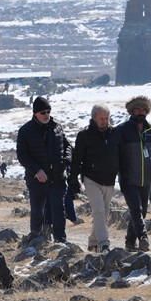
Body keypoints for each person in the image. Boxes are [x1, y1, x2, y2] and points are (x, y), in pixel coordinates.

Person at [16, 96, 72, 243]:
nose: (46, 115)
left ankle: (61, 240)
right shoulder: (25, 131)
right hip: (36, 180)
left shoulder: (57, 127)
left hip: (58, 177)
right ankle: (36, 237)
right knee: (37, 210)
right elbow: (22, 155)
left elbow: (68, 147)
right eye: (43, 112)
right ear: (35, 113)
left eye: (48, 111)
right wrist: (36, 171)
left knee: (58, 209)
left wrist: (66, 161)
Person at [71, 103, 120, 252]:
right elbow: (77, 158)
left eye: (107, 118)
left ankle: (93, 242)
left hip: (110, 180)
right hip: (91, 179)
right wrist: (73, 179)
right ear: (93, 118)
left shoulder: (115, 134)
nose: (105, 121)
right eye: (101, 118)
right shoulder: (84, 135)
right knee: (98, 211)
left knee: (103, 214)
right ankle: (104, 243)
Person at [117, 96, 151, 252]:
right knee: (136, 209)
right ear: (131, 111)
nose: (140, 112)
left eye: (143, 109)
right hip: (128, 179)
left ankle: (129, 242)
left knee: (142, 211)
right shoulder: (122, 130)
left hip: (146, 179)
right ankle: (143, 238)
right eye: (137, 109)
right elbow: (116, 153)